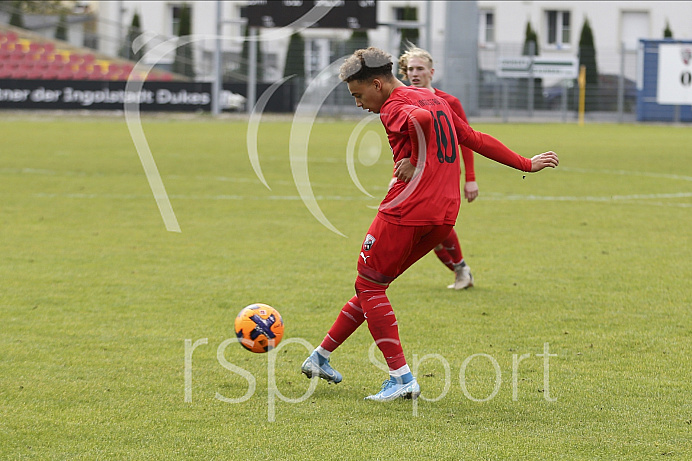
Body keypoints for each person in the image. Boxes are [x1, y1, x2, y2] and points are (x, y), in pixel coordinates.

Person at [301, 47, 559, 402]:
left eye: (359, 96)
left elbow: (418, 122)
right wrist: (526, 164)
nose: (359, 104)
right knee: (374, 285)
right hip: (444, 215)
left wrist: (414, 157)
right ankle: (321, 356)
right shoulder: (432, 98)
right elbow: (474, 138)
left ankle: (401, 377)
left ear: (377, 84)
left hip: (407, 211)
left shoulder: (393, 107)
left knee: (370, 285)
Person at [398, 46, 476, 290]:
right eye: (410, 69)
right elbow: (403, 146)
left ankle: (462, 270)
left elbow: (469, 139)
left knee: (436, 225)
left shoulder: (450, 102)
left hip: (444, 175)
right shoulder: (403, 101)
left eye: (419, 68)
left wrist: (470, 178)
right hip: (417, 175)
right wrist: (396, 177)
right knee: (427, 231)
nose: (414, 73)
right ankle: (461, 271)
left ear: (431, 72)